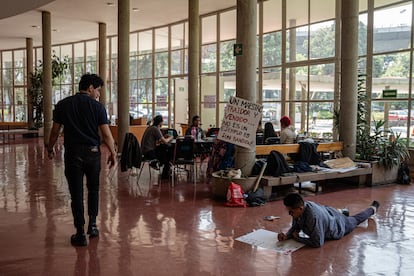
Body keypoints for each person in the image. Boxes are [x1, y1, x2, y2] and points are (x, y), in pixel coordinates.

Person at [47, 73, 117, 247]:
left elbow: (55, 131)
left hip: (72, 155)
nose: (99, 94)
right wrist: (113, 153)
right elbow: (106, 135)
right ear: (90, 88)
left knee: (76, 195)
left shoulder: (63, 105)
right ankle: (92, 226)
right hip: (93, 154)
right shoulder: (98, 108)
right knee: (93, 190)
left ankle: (80, 233)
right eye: (98, 90)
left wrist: (50, 148)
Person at [277, 193, 380, 248]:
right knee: (336, 215)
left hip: (339, 225)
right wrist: (287, 235)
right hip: (328, 212)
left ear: (300, 208)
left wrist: (297, 238)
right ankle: (343, 212)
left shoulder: (313, 217)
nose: (289, 214)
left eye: (291, 212)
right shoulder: (300, 208)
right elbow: (296, 226)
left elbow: (318, 243)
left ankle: (372, 209)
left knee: (355, 219)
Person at [141, 114, 174, 179]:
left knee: (165, 152)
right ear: (160, 122)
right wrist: (171, 137)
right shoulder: (155, 129)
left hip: (145, 151)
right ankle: (165, 173)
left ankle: (164, 169)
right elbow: (165, 142)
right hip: (149, 152)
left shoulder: (150, 127)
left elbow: (156, 142)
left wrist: (163, 137)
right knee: (168, 153)